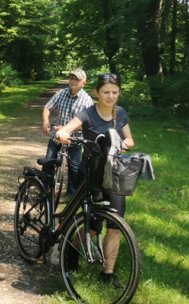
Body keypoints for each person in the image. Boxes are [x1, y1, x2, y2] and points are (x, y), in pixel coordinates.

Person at [55, 72, 134, 285]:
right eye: (106, 92)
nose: (110, 96)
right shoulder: (87, 114)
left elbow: (129, 139)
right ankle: (72, 247)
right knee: (93, 226)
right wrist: (62, 133)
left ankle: (108, 273)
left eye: (115, 92)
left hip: (115, 173)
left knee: (116, 224)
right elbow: (66, 129)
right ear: (96, 93)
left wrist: (123, 144)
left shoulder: (120, 113)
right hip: (91, 174)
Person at [41, 69, 93, 197]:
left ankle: (71, 195)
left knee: (74, 168)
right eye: (71, 78)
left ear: (83, 83)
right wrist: (46, 122)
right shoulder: (61, 93)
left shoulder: (87, 101)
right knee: (48, 161)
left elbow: (85, 124)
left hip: (75, 139)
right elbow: (47, 107)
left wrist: (67, 129)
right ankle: (45, 189)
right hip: (57, 136)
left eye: (77, 79)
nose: (73, 81)